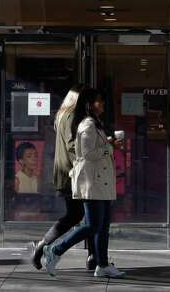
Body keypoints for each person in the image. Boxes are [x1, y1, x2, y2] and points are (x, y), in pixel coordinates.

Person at [41, 88, 125, 278]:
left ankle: (102, 265)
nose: (102, 104)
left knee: (103, 226)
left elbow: (94, 148)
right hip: (91, 182)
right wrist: (109, 147)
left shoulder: (95, 123)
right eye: (98, 101)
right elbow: (87, 154)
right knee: (93, 226)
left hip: (100, 182)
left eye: (102, 101)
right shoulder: (87, 124)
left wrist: (108, 143)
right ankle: (55, 250)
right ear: (89, 104)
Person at [30, 84, 95, 270]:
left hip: (67, 173)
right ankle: (44, 247)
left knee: (82, 216)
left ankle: (93, 257)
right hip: (75, 174)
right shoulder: (72, 116)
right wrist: (90, 158)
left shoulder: (62, 115)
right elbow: (72, 145)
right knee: (86, 216)